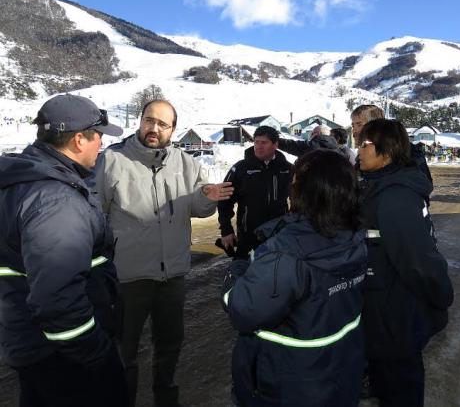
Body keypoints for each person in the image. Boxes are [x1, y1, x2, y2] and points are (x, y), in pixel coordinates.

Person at [92, 99, 233, 407]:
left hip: (173, 274)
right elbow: (94, 214)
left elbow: (197, 207)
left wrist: (206, 197)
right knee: (124, 349)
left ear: (173, 129)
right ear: (140, 120)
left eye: (162, 124)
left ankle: (166, 399)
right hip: (129, 276)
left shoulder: (187, 163)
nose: (153, 128)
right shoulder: (112, 160)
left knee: (170, 345)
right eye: (149, 120)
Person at [0, 95, 127, 407]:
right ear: (79, 139)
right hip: (63, 357)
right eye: (98, 136)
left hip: (31, 342)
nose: (102, 144)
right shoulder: (55, 199)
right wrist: (97, 354)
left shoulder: (24, 180)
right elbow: (57, 300)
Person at [222, 150, 368, 407]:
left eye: (296, 180)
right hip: (341, 369)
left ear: (308, 190)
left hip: (288, 383)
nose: (291, 186)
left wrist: (236, 272)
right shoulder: (354, 235)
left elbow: (243, 310)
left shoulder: (286, 253)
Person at [358, 119, 454, 407]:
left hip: (396, 320)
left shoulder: (395, 197)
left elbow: (419, 263)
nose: (358, 151)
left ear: (386, 151)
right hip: (383, 316)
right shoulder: (378, 186)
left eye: (365, 144)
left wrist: (440, 298)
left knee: (401, 391)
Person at [218, 126, 293, 259]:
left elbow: (299, 200)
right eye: (256, 142)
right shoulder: (241, 169)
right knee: (244, 272)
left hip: (279, 234)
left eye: (264, 142)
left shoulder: (287, 169)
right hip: (248, 235)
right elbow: (224, 200)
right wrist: (226, 230)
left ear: (275, 145)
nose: (258, 146)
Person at [276, 124, 341, 156]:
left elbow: (292, 145)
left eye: (312, 133)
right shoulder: (338, 151)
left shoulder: (313, 146)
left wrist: (275, 140)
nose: (310, 136)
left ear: (317, 133)